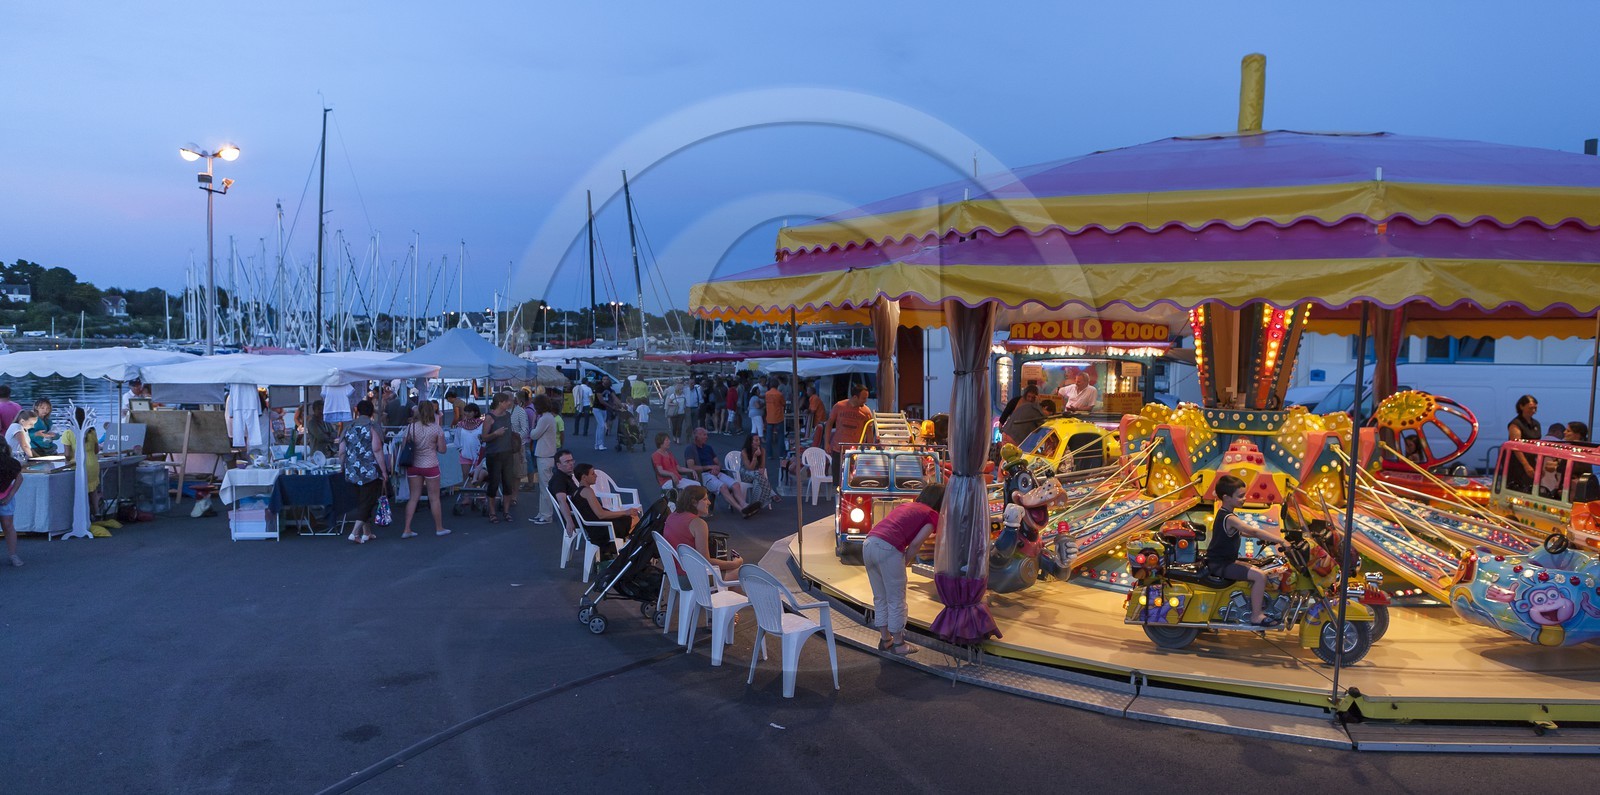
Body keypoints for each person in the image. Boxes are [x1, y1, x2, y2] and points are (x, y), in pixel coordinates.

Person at [864, 483, 944, 655]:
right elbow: (916, 544)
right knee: (896, 598)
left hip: (869, 543)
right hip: (888, 548)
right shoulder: (932, 515)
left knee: (880, 596)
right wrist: (904, 562)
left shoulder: (908, 506)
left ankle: (885, 639)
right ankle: (899, 644)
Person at [1205, 474, 1289, 627]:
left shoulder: (1225, 514)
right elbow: (1252, 530)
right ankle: (1256, 615)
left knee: (1260, 567)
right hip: (1220, 564)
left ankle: (1256, 605)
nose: (1244, 498)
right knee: (1260, 576)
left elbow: (1242, 532)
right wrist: (1281, 540)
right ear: (1226, 498)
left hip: (1224, 561)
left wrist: (1267, 538)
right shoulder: (1229, 518)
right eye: (1240, 496)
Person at [662, 484, 741, 587]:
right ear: (694, 502)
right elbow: (706, 561)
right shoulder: (698, 523)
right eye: (705, 499)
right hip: (693, 579)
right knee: (740, 573)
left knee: (730, 578)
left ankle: (722, 597)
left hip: (675, 576)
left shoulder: (671, 517)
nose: (709, 502)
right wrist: (734, 563)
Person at [338, 399, 387, 544]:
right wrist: (384, 470)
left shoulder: (348, 427)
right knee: (368, 501)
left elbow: (341, 451)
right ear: (371, 412)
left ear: (357, 411)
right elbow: (377, 449)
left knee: (361, 501)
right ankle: (354, 533)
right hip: (369, 470)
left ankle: (367, 532)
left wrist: (342, 466)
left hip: (352, 469)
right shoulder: (372, 426)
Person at [400, 400, 450, 538]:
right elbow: (443, 450)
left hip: (414, 465)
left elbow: (404, 446)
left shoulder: (410, 427)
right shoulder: (436, 428)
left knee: (413, 498)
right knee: (434, 498)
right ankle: (439, 528)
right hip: (431, 464)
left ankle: (407, 529)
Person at [683, 427, 756, 517]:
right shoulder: (690, 449)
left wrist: (717, 468)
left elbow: (718, 463)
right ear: (696, 436)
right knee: (723, 487)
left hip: (716, 473)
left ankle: (744, 505)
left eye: (706, 435)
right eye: (704, 435)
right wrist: (709, 467)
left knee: (736, 485)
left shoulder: (708, 448)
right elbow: (691, 467)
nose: (706, 437)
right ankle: (741, 510)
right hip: (703, 475)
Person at [572, 462, 640, 551]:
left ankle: (626, 546)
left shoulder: (577, 492)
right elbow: (601, 514)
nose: (596, 476)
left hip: (595, 527)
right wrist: (625, 512)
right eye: (592, 474)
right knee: (635, 519)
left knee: (631, 520)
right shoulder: (587, 491)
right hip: (600, 529)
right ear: (584, 477)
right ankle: (628, 549)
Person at [481, 392, 519, 522]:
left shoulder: (507, 415)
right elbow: (484, 437)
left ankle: (506, 511)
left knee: (508, 483)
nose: (509, 403)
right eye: (507, 401)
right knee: (494, 483)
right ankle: (492, 512)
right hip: (494, 454)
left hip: (507, 453)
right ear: (500, 403)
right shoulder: (489, 417)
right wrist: (495, 434)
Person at [825, 383, 875, 475]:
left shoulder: (866, 412)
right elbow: (829, 424)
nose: (865, 401)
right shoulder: (839, 406)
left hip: (855, 452)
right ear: (855, 397)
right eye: (863, 398)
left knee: (853, 478)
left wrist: (870, 448)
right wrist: (826, 443)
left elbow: (869, 432)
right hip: (838, 449)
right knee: (837, 479)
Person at [60, 407, 101, 517]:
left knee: (79, 490)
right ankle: (97, 512)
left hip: (78, 465)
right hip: (93, 464)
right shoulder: (92, 431)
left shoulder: (68, 433)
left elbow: (67, 454)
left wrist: (66, 460)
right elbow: (96, 450)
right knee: (93, 490)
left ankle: (81, 514)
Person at [529, 395, 561, 524]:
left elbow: (534, 434)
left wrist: (533, 423)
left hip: (545, 456)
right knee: (543, 486)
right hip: (547, 455)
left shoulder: (544, 419)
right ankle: (542, 513)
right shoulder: (548, 417)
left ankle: (547, 515)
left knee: (545, 487)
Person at [1506, 394, 1540, 492]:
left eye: (1535, 408)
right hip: (1519, 462)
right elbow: (1516, 446)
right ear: (1521, 406)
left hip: (1532, 460)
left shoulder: (1536, 424)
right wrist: (1526, 465)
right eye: (1530, 408)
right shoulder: (1515, 424)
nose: (1533, 411)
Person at [0, 437, 22, 566]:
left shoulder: (11, 463)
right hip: (6, 496)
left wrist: (10, 495)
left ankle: (13, 555)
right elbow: (19, 478)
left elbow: (19, 478)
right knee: (8, 526)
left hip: (6, 496)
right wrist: (10, 495)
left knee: (8, 526)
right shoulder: (12, 462)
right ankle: (13, 555)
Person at [740, 432, 775, 510]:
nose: (758, 442)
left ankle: (753, 505)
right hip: (745, 474)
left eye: (759, 440)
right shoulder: (744, 452)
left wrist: (761, 469)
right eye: (756, 440)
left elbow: (762, 466)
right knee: (756, 474)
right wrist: (755, 456)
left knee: (757, 483)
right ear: (750, 442)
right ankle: (772, 494)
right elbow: (749, 468)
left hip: (757, 476)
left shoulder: (762, 450)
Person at [453, 402, 485, 484]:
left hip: (479, 456)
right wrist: (461, 450)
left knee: (478, 478)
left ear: (476, 412)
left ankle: (477, 491)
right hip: (465, 456)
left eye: (469, 412)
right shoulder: (460, 425)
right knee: (466, 477)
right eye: (466, 411)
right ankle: (467, 492)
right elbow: (457, 439)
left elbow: (485, 439)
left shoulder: (482, 424)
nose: (467, 413)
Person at [510, 391, 531, 489]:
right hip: (503, 446)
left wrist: (516, 438)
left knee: (517, 472)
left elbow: (525, 429)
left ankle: (514, 494)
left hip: (517, 447)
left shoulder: (520, 411)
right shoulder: (499, 411)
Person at [764, 378, 786, 469]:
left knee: (768, 437)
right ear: (777, 385)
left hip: (769, 417)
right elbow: (783, 403)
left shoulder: (766, 394)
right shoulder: (779, 394)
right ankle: (781, 454)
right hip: (778, 417)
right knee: (780, 436)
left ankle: (769, 454)